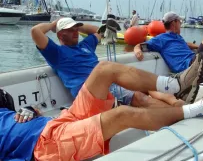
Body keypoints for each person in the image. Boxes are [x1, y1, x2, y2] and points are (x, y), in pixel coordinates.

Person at [0, 58, 203, 161]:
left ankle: (175, 85)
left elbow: (22, 112)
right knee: (122, 113)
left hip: (56, 121)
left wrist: (29, 109)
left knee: (104, 69)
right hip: (45, 144)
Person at [31, 18, 183, 108]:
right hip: (91, 91)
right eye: (70, 30)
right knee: (138, 96)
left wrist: (78, 25)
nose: (76, 32)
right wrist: (54, 24)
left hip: (109, 82)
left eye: (76, 29)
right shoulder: (56, 53)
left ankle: (176, 103)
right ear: (60, 34)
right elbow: (35, 32)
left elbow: (99, 31)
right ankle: (178, 111)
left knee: (145, 86)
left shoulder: (85, 45)